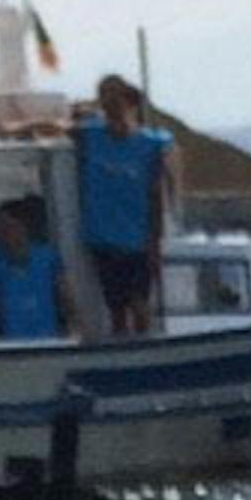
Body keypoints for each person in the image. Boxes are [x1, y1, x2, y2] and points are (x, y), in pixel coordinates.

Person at [75, 72, 173, 334]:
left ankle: (145, 352)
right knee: (116, 308)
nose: (110, 108)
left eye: (115, 101)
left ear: (130, 103)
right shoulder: (91, 136)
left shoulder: (151, 144)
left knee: (140, 305)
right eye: (104, 101)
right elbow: (58, 128)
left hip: (137, 241)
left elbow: (157, 194)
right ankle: (121, 349)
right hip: (104, 239)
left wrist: (155, 239)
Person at [0, 196, 68, 343]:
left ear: (23, 226)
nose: (1, 232)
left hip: (48, 340)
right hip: (9, 344)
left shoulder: (47, 257)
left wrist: (73, 332)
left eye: (7, 226)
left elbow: (65, 297)